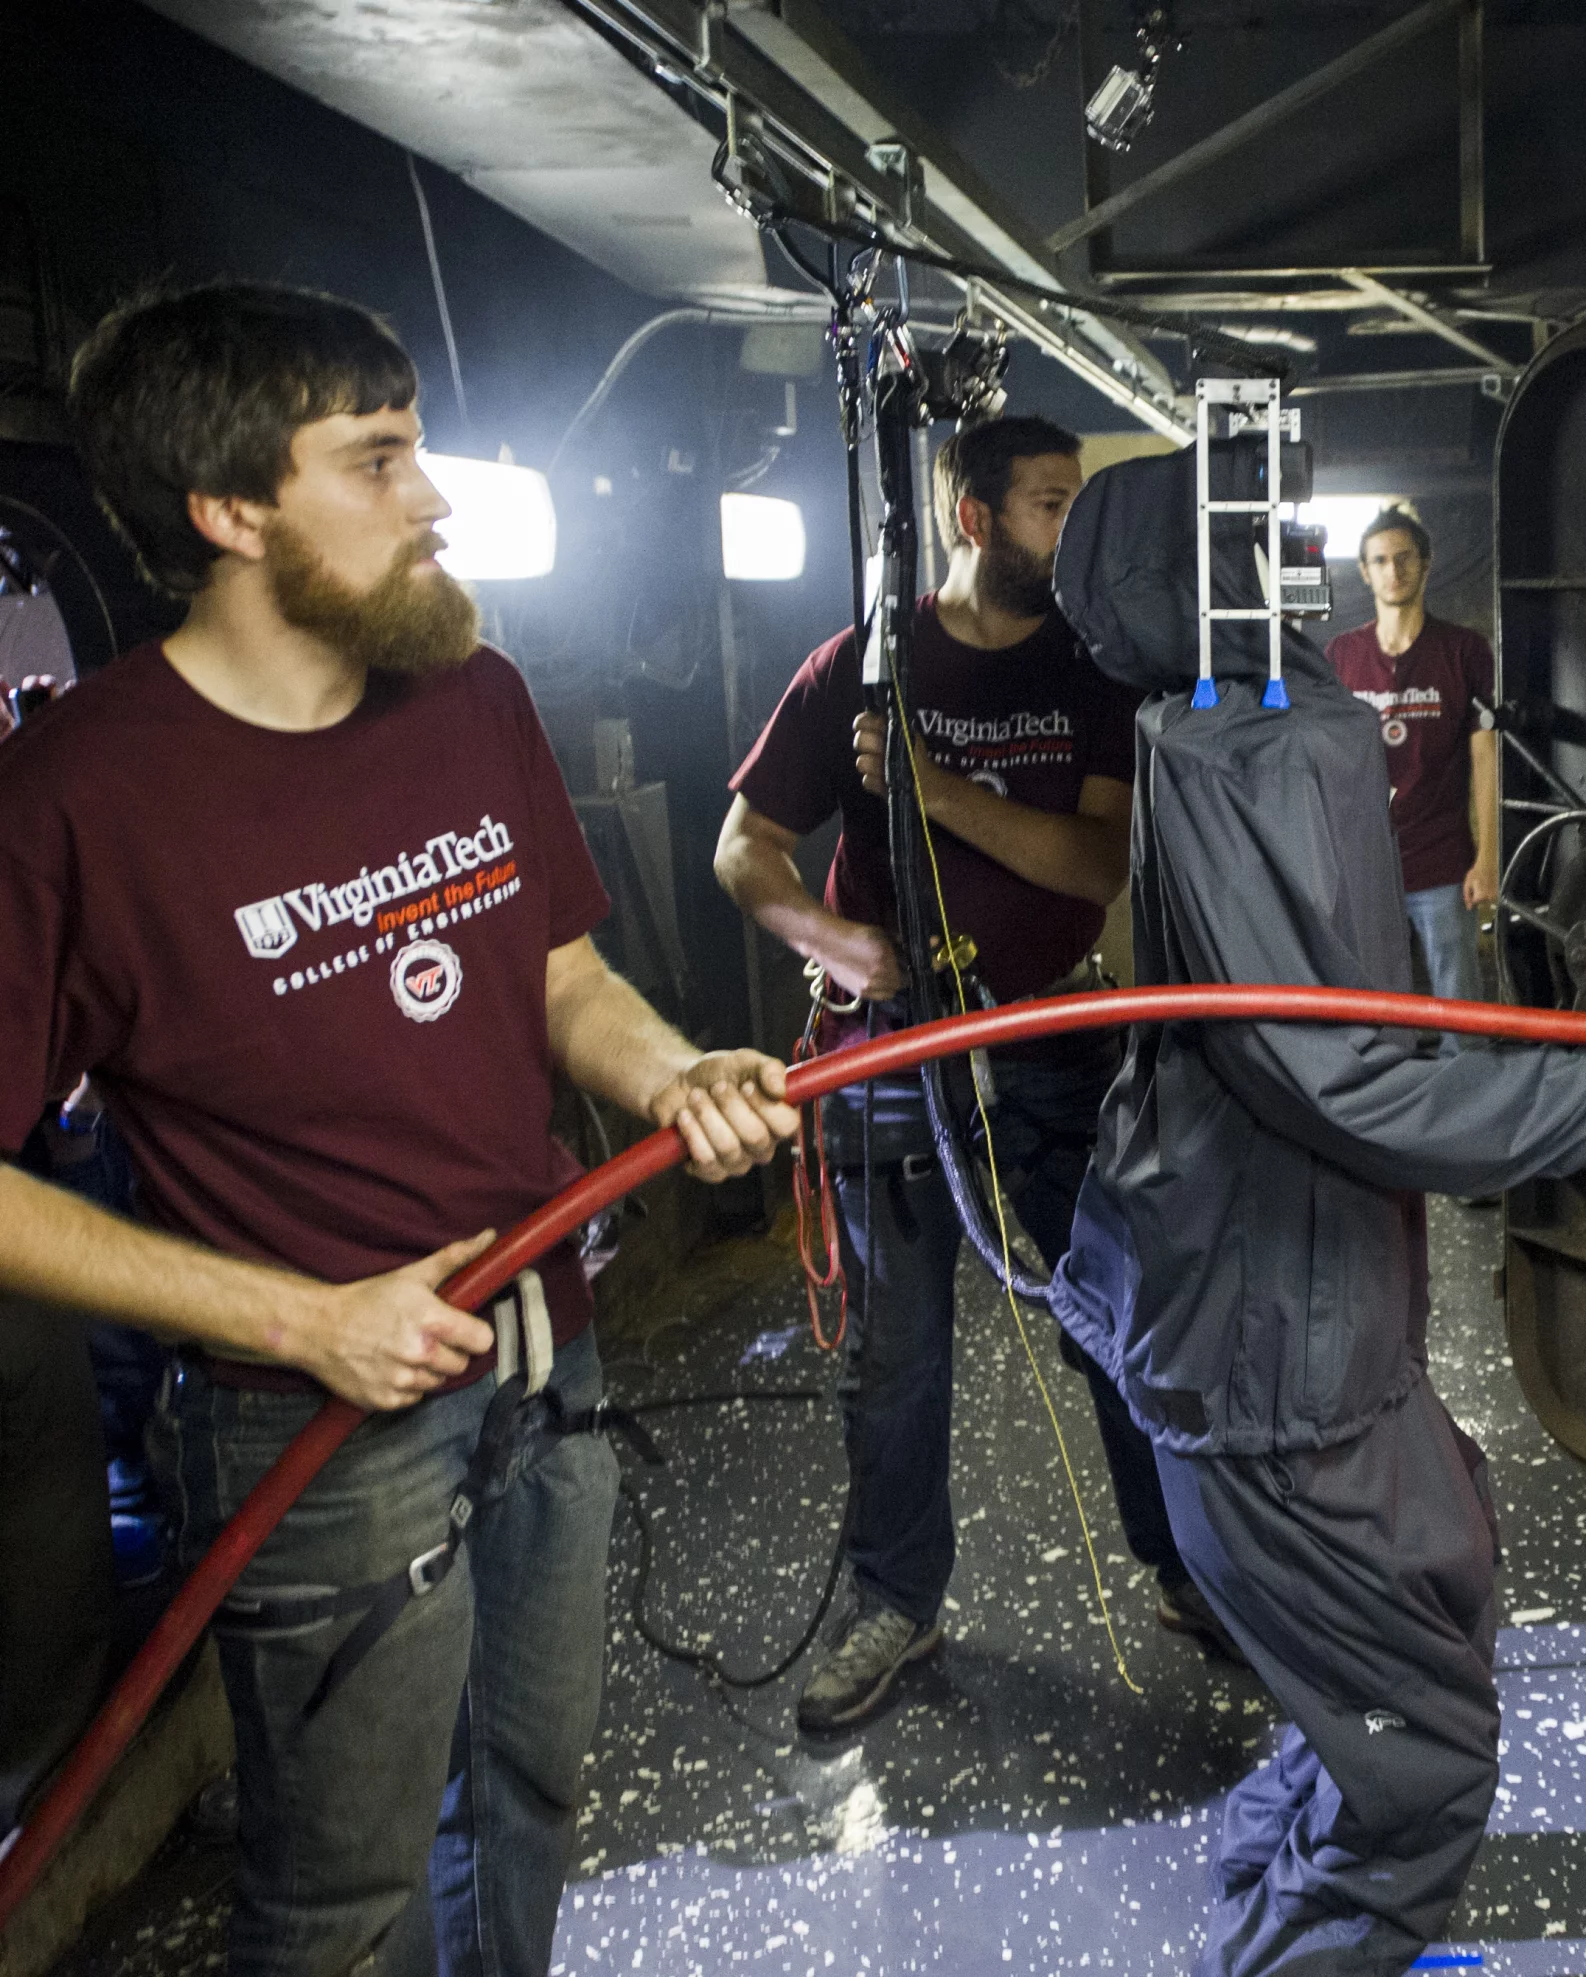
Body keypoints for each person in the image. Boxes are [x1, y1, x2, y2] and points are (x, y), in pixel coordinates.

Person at [0, 282, 798, 1976]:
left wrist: (665, 1071)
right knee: (342, 1897)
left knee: (528, 1788)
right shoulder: (74, 798)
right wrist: (308, 1319)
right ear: (228, 512)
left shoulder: (469, 697)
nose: (431, 497)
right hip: (318, 1426)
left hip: (542, 1356)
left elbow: (560, 975)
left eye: (416, 447)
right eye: (377, 460)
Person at [1048, 446, 1586, 1976]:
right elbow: (1343, 1077)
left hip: (1315, 1336)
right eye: (1259, 531)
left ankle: (1301, 1933)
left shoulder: (1272, 723)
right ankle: (1310, 1950)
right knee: (1425, 1768)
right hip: (1273, 1375)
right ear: (1201, 572)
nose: (1300, 549)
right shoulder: (1240, 753)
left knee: (1423, 1639)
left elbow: (1346, 1047)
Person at [715, 414, 1228, 1740]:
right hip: (892, 1052)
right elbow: (745, 849)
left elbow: (1091, 866)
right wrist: (843, 946)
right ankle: (895, 1599)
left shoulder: (1090, 667)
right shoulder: (860, 670)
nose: (1072, 531)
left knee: (1112, 1317)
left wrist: (934, 793)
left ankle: (1181, 1566)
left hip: (1055, 1037)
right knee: (897, 1353)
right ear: (973, 515)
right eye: (1051, 505)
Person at [1322, 507, 1498, 1023]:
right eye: (1380, 561)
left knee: (1460, 1017)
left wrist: (1487, 858)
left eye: (1403, 559)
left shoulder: (1465, 651)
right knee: (1372, 1014)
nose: (1392, 571)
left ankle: (1464, 1096)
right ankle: (1384, 1101)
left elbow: (1485, 755)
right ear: (1364, 571)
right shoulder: (1340, 655)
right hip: (1365, 866)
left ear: (1426, 564)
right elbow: (1323, 762)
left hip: (1444, 863)